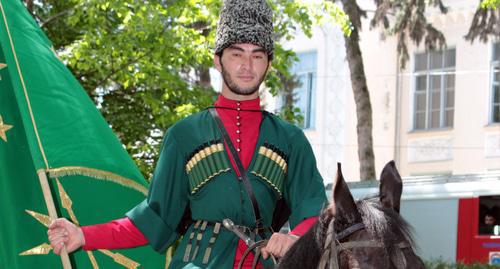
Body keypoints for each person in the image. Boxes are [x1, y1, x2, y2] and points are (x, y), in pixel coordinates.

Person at [47, 0, 327, 268]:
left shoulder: (290, 140)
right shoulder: (184, 135)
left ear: (268, 63)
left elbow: (315, 211)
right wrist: (83, 235)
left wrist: (293, 238)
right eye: (236, 54)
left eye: (257, 56)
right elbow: (153, 219)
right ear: (218, 60)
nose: (247, 66)